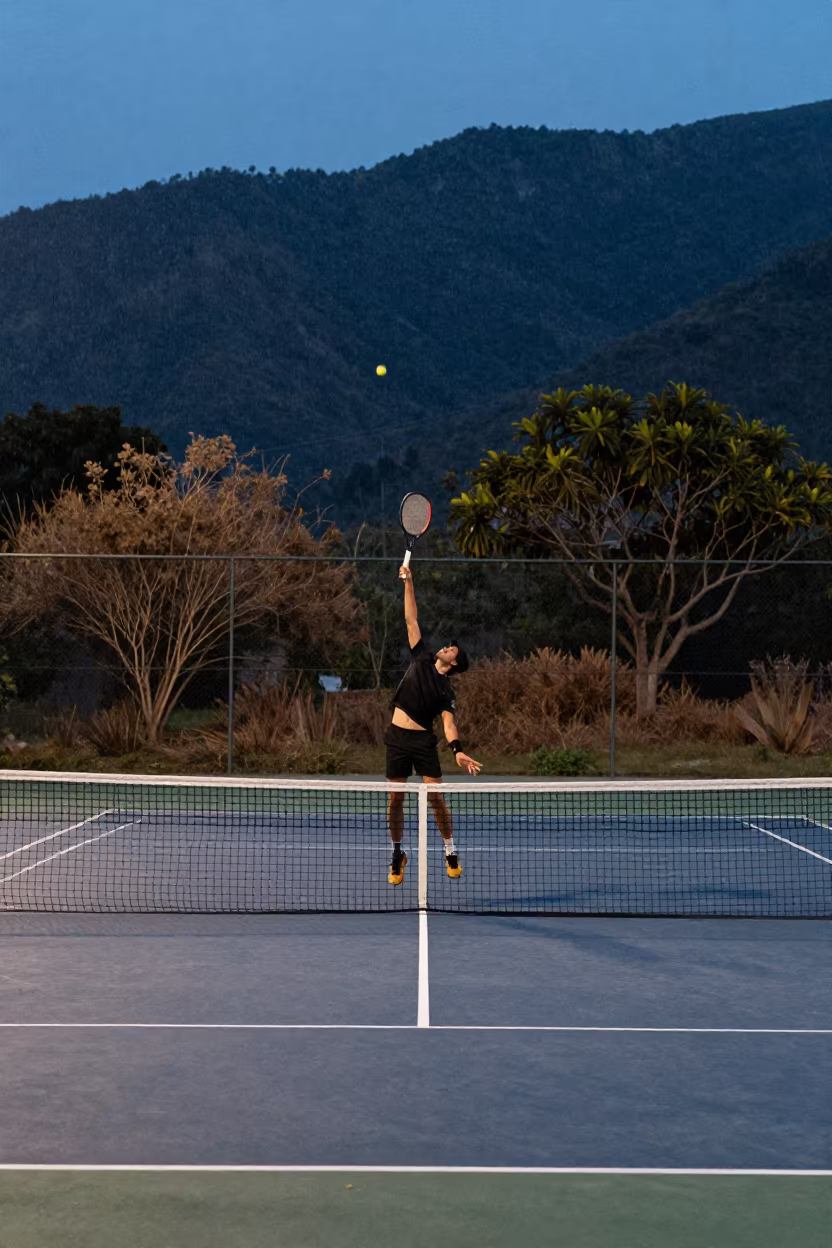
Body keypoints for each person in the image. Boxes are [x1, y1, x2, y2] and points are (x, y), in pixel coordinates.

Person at [385, 564, 482, 886]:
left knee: (436, 797)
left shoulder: (446, 691)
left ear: (454, 662)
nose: (446, 646)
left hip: (423, 742)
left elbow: (449, 725)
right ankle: (398, 852)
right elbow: (411, 618)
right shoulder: (422, 657)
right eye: (448, 645)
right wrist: (408, 582)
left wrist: (458, 751)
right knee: (395, 800)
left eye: (452, 649)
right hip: (397, 737)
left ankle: (450, 849)